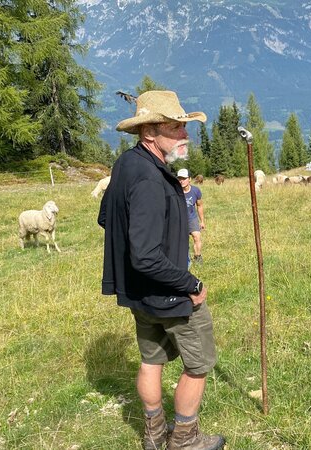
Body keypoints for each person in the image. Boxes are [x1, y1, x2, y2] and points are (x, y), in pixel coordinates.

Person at [98, 90, 225, 450]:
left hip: (139, 293)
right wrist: (191, 283)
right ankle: (185, 439)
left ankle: (153, 436)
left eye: (184, 127)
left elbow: (106, 217)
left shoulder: (127, 164)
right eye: (176, 128)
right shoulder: (150, 181)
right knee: (199, 364)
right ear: (150, 132)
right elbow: (146, 256)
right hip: (170, 292)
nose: (186, 135)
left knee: (150, 361)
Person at [177, 168, 205, 264]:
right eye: (179, 178)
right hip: (179, 220)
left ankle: (197, 257)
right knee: (182, 241)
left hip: (192, 218)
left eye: (184, 178)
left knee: (197, 237)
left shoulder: (196, 191)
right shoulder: (175, 191)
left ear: (189, 179)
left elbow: (199, 205)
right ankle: (184, 259)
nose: (181, 181)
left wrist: (202, 221)